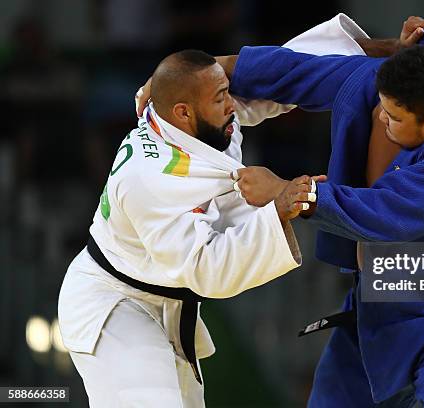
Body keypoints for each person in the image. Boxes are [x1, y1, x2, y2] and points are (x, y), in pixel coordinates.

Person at [136, 15, 424, 407]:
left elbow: (385, 212)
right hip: (375, 298)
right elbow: (298, 72)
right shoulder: (394, 79)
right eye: (382, 108)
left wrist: (288, 192)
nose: (381, 117)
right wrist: (202, 73)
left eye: (394, 118)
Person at [58, 50, 315, 408]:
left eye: (227, 92)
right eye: (221, 97)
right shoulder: (149, 179)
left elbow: (276, 77)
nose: (232, 105)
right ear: (183, 112)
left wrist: (373, 55)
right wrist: (277, 210)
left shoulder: (187, 121)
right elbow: (208, 270)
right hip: (115, 303)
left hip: (164, 300)